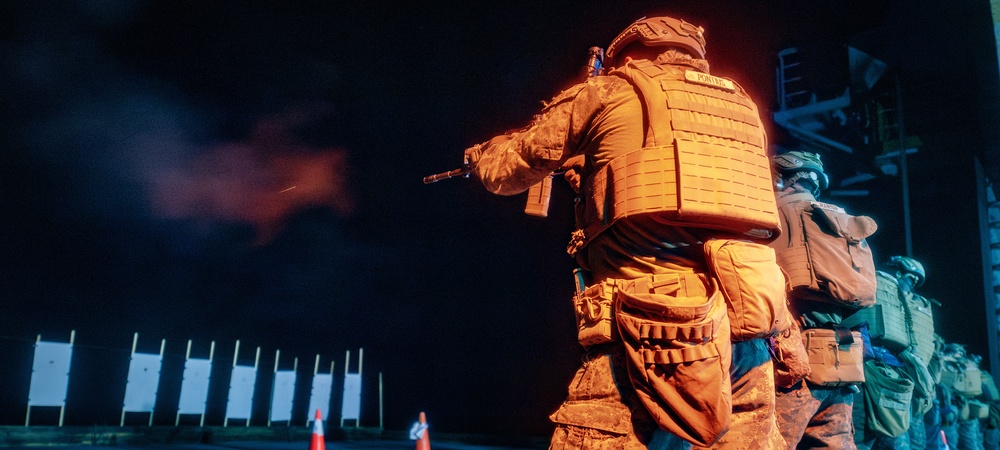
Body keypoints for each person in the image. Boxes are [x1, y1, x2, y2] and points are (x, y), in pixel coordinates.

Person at [465, 15, 786, 450]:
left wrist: (485, 153)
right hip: (750, 326)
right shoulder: (740, 105)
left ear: (631, 55)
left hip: (654, 330)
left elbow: (508, 171)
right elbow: (674, 185)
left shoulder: (609, 89)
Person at [769, 151, 876, 449]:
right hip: (841, 357)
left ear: (780, 179)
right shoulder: (842, 222)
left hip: (794, 355)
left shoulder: (773, 212)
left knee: (775, 441)